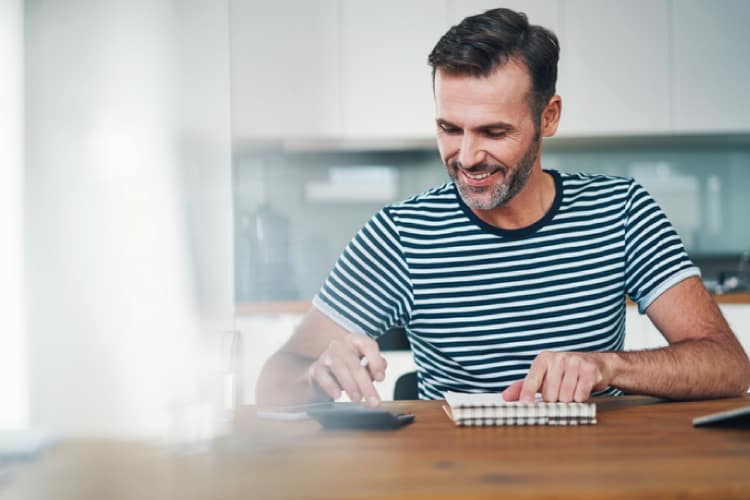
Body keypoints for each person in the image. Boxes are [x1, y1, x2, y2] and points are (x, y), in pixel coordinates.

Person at [256, 8, 750, 407]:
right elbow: (273, 384)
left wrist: (607, 366)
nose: (467, 158)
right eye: (450, 129)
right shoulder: (400, 235)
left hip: (596, 468)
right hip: (450, 476)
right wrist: (315, 379)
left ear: (548, 117)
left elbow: (728, 365)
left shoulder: (620, 211)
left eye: (493, 132)